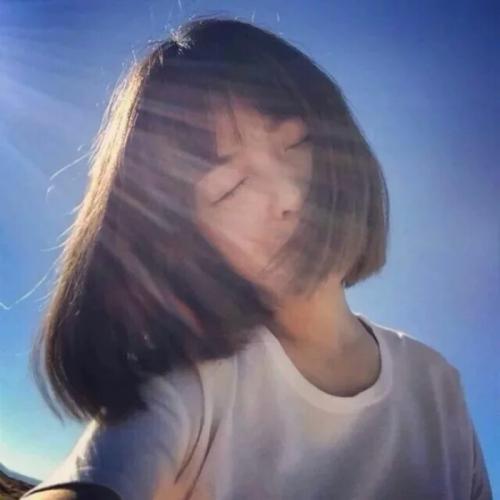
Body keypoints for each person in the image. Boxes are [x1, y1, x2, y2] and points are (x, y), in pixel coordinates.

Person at [22, 15, 492, 500]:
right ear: (191, 246)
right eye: (231, 187)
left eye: (297, 144)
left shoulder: (437, 385)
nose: (289, 196)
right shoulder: (195, 388)